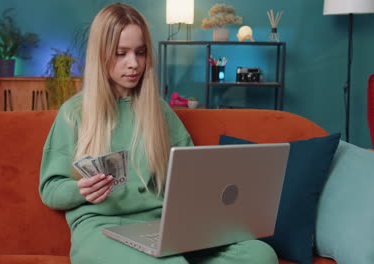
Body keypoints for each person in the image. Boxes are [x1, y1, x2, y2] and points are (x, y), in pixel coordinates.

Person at [39, 3, 278, 264]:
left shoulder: (160, 111)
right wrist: (80, 190)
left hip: (163, 226)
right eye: (121, 53)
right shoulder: (73, 112)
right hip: (102, 229)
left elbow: (194, 176)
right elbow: (50, 189)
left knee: (260, 254)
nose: (134, 64)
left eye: (140, 53)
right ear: (101, 54)